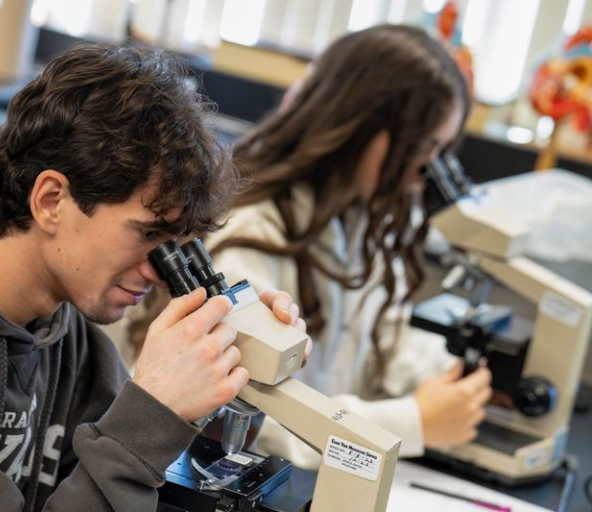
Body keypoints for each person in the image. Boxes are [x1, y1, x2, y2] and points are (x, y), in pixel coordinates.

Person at [0, 43, 307, 511]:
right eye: (148, 235)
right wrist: (151, 413)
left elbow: (135, 477)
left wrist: (235, 376)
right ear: (52, 200)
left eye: (175, 248)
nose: (159, 274)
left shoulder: (63, 330)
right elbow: (128, 452)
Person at [123, 24, 493, 469]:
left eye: (440, 151)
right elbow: (255, 428)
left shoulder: (365, 219)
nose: (424, 175)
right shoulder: (254, 238)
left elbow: (382, 340)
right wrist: (414, 421)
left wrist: (456, 381)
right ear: (360, 127)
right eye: (423, 148)